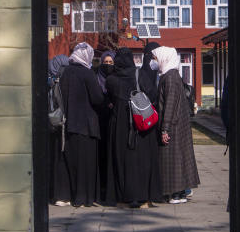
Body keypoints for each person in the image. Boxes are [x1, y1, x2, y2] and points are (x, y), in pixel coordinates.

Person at [103, 48, 163, 208]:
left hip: (120, 126)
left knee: (122, 161)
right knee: (142, 160)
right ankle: (143, 195)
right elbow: (153, 95)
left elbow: (109, 99)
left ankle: (124, 195)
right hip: (140, 125)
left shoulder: (111, 80)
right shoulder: (140, 75)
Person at [151, 46, 200, 204]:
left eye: (156, 58)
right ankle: (179, 193)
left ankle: (174, 193)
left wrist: (165, 128)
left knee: (171, 159)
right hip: (178, 124)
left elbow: (170, 104)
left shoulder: (169, 77)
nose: (154, 62)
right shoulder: (172, 75)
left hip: (173, 125)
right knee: (179, 158)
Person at [60, 42, 105, 207]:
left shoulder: (65, 72)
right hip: (87, 125)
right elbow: (97, 98)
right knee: (88, 164)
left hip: (70, 124)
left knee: (74, 164)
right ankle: (87, 198)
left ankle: (75, 197)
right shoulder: (87, 74)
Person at [48, 54, 72, 206]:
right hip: (61, 125)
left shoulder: (49, 80)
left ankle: (54, 194)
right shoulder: (62, 82)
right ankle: (61, 195)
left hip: (51, 126)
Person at [95, 51, 115, 201]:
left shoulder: (115, 79)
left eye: (110, 62)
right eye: (105, 62)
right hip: (99, 120)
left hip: (113, 121)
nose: (107, 65)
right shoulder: (96, 78)